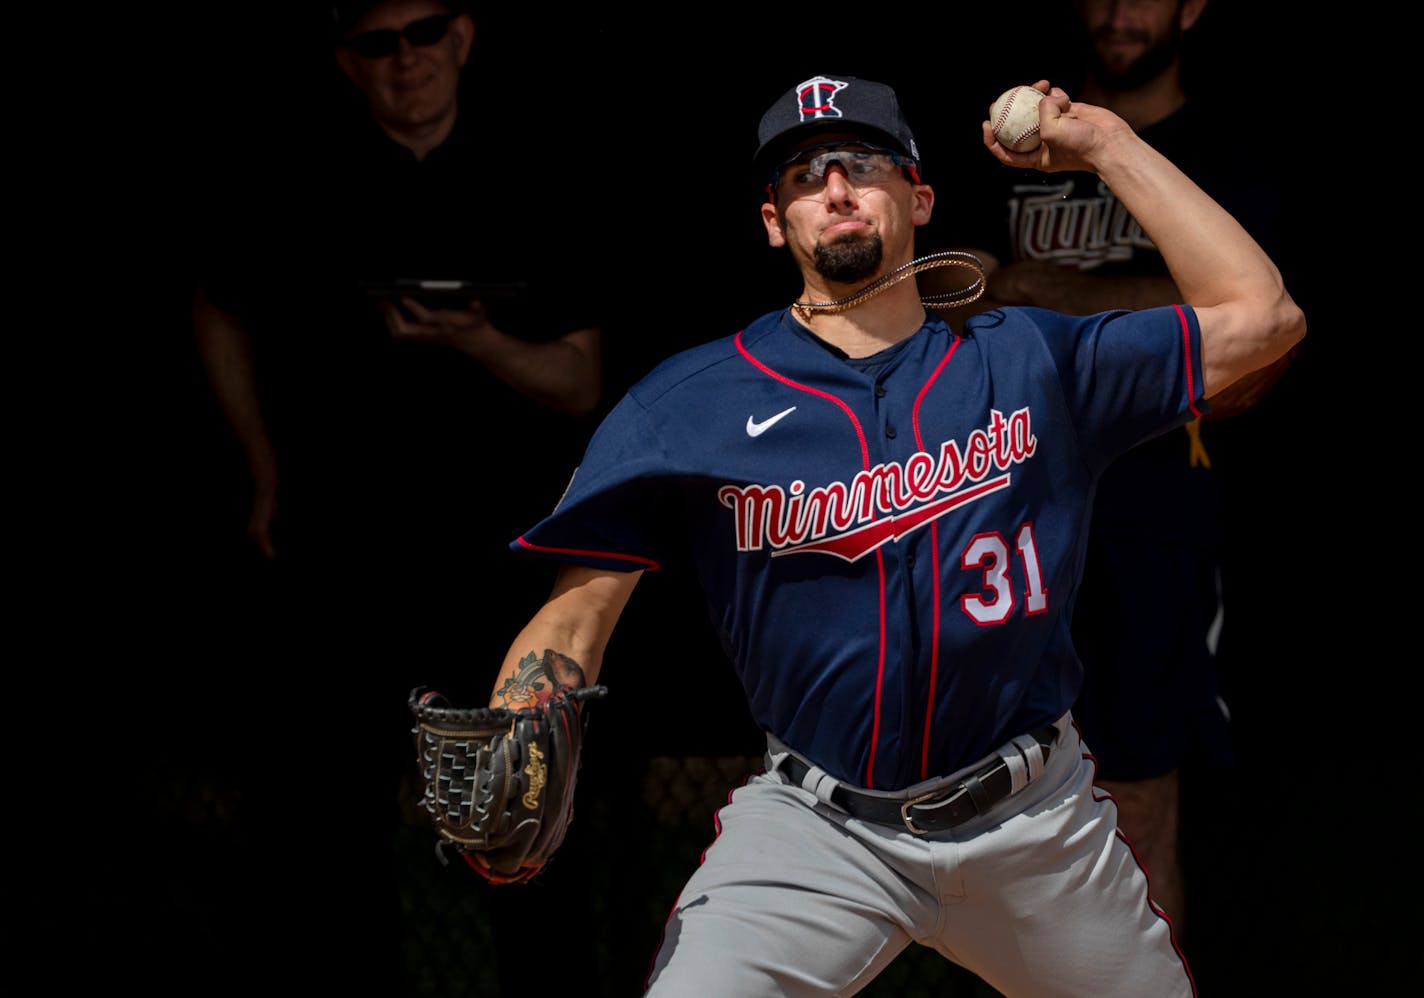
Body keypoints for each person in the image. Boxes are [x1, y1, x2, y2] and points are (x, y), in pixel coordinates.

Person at [467, 72, 1303, 996]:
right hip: (817, 827)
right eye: (801, 175)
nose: (833, 186)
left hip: (1032, 819)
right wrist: (521, 718)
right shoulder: (690, 401)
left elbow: (1262, 317)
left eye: (862, 163)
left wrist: (1106, 143)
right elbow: (573, 616)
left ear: (919, 198)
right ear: (774, 223)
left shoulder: (1032, 358)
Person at [188, 0, 605, 990]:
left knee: (524, 823)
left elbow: (580, 381)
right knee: (324, 833)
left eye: (422, 35)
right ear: (346, 60)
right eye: (377, 44)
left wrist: (477, 340)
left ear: (462, 39)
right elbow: (215, 303)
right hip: (342, 547)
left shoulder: (531, 172)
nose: (404, 61)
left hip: (500, 556)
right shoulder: (294, 179)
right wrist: (262, 467)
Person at [923, 0, 1299, 938]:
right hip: (1000, 500)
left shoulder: (1217, 150)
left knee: (1133, 797)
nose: (1120, 11)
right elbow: (942, 282)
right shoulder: (1009, 142)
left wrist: (1036, 287)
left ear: (1194, 8)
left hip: (1151, 497)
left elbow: (1243, 315)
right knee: (988, 808)